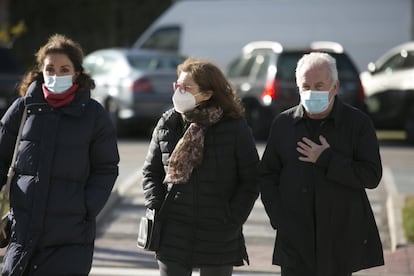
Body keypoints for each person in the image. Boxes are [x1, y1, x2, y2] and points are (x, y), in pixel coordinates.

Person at [0, 34, 119, 275]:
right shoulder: (23, 109)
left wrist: (86, 207)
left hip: (71, 235)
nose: (56, 75)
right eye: (50, 69)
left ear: (76, 73)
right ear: (41, 71)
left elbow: (106, 167)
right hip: (22, 231)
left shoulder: (94, 115)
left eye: (64, 69)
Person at [260, 52, 384, 276]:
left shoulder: (357, 124)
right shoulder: (284, 124)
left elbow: (371, 175)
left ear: (334, 87)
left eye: (319, 86)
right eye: (305, 86)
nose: (311, 92)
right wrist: (279, 218)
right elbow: (267, 175)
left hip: (340, 239)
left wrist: (327, 159)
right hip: (295, 240)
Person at [141, 57, 260, 276]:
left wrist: (232, 218)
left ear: (207, 94)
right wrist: (157, 207)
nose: (179, 92)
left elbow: (251, 179)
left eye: (186, 88)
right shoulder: (169, 123)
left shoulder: (234, 128)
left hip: (218, 232)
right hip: (173, 231)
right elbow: (151, 171)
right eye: (177, 86)